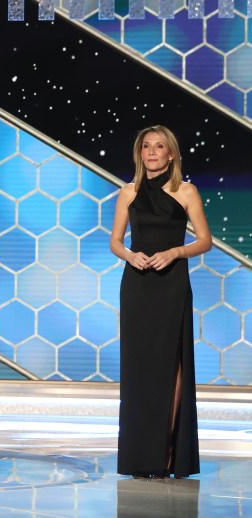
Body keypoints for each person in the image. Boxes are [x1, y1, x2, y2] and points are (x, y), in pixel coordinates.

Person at [109, 125, 211, 479]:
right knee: (139, 370)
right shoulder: (127, 192)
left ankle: (167, 452)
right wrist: (129, 256)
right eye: (146, 147)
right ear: (140, 153)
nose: (152, 152)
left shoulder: (186, 192)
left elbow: (205, 240)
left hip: (171, 285)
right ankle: (141, 455)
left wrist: (174, 252)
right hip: (137, 285)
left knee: (172, 365)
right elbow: (116, 241)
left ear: (171, 154)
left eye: (160, 146)